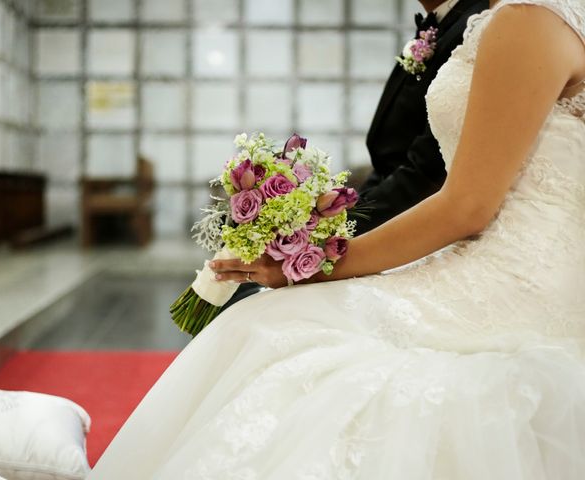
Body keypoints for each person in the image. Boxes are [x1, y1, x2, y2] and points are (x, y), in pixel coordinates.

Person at [89, 0, 585, 477]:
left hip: (517, 277)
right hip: (490, 255)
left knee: (277, 332)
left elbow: (468, 206)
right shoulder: (516, 16)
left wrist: (312, 263)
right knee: (266, 322)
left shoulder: (528, 17)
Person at [223, 0, 488, 307]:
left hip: (424, 233)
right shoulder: (443, 23)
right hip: (394, 210)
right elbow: (391, 160)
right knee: (245, 298)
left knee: (263, 309)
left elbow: (426, 174)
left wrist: (323, 247)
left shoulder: (476, 25)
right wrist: (318, 223)